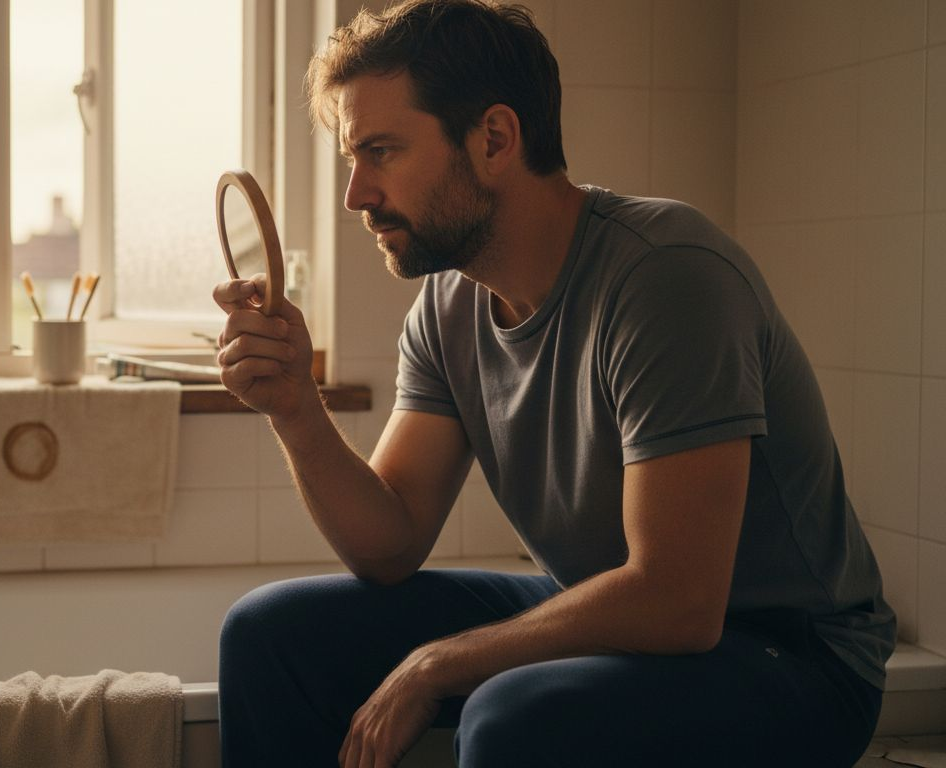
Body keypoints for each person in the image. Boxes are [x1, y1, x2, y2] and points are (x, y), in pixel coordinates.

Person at [210, 1, 896, 766]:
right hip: (616, 604)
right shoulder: (449, 306)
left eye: (381, 152)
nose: (357, 195)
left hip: (789, 656)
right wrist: (295, 408)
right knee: (270, 633)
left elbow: (680, 602)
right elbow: (391, 543)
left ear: (495, 139)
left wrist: (442, 661)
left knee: (513, 717)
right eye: (351, 160)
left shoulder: (666, 277)